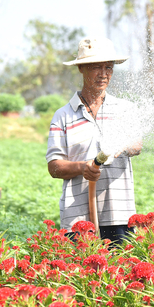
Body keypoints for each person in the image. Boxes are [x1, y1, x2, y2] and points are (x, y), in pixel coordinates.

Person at [46, 37, 142, 244]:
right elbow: (54, 167)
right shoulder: (63, 116)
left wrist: (121, 146)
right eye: (96, 67)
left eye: (108, 67)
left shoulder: (125, 109)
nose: (104, 73)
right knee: (82, 274)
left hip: (120, 214)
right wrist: (83, 167)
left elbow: (136, 145)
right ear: (81, 68)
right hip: (77, 218)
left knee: (121, 272)